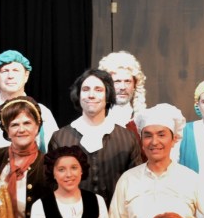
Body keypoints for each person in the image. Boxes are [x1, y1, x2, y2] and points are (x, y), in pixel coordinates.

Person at [48, 68, 140, 206]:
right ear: (78, 95)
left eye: (98, 90)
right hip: (72, 215)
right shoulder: (60, 138)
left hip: (116, 216)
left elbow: (135, 185)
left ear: (108, 95)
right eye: (85, 89)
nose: (91, 95)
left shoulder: (127, 138)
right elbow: (52, 185)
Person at [0, 49, 59, 152]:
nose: (10, 76)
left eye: (16, 70)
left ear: (26, 76)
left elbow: (55, 154)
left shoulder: (43, 112)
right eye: (5, 71)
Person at [98, 50, 147, 135]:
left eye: (127, 81)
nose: (123, 87)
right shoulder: (95, 119)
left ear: (135, 85)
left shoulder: (146, 121)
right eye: (117, 81)